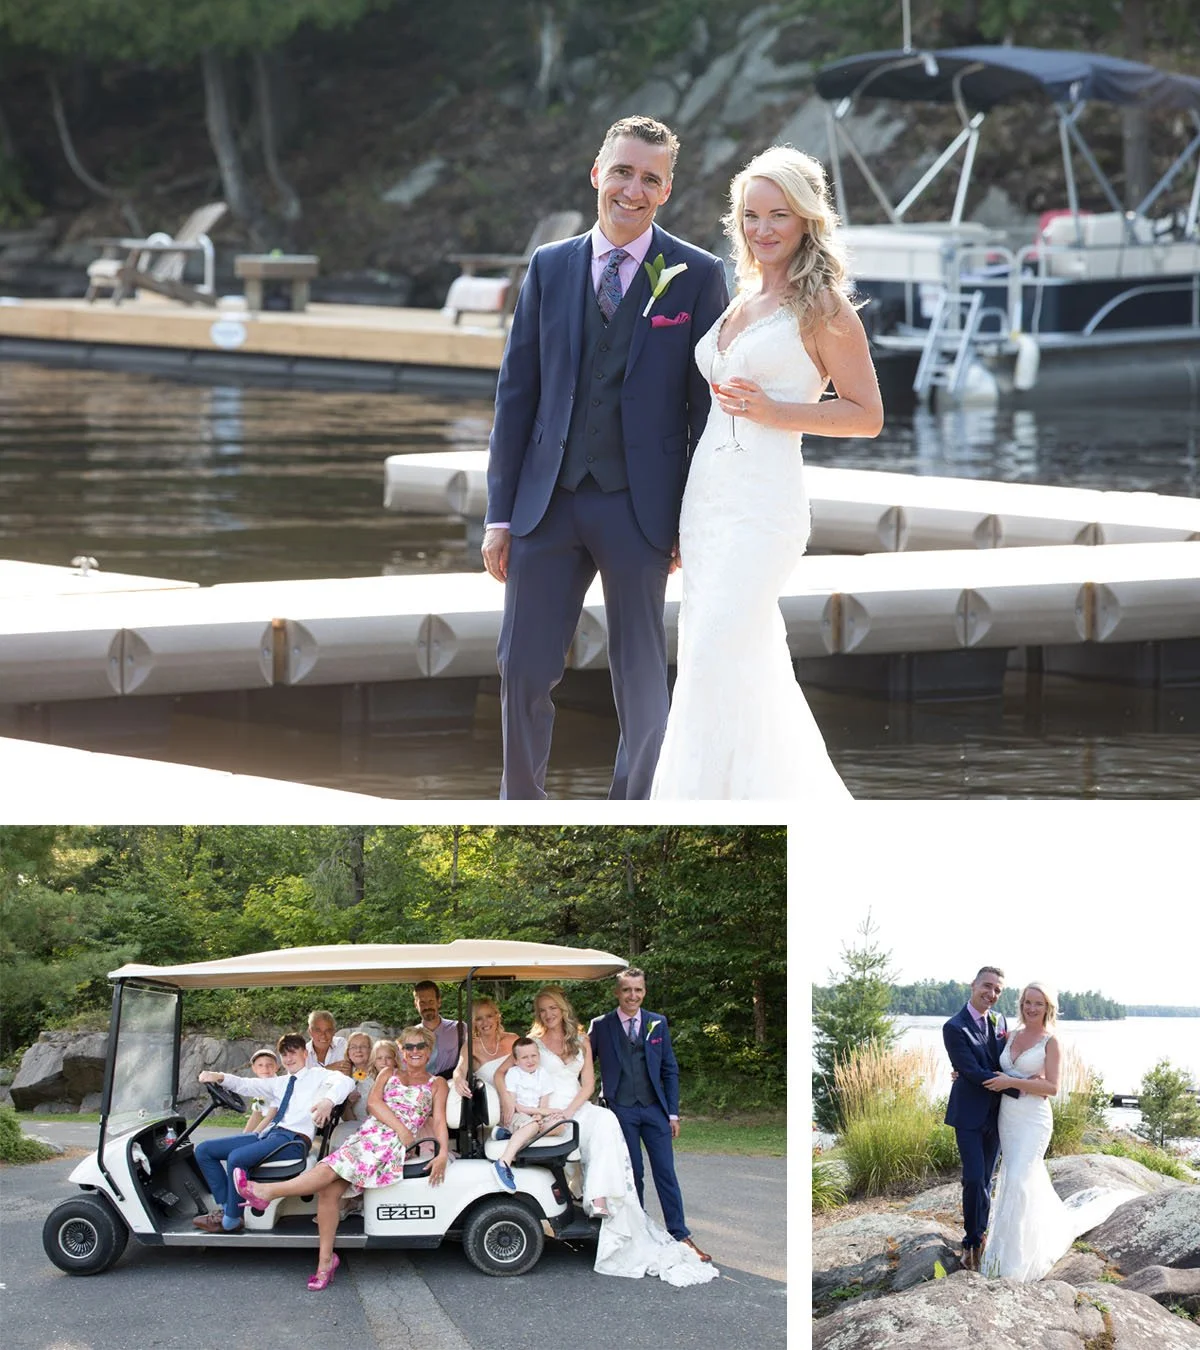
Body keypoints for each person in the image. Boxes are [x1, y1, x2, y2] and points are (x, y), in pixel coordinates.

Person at [482, 114, 730, 800]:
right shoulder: (549, 266)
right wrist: (497, 516)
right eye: (622, 171)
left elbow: (704, 414)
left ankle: (634, 811)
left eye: (650, 178)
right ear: (598, 173)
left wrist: (692, 520)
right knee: (523, 670)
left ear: (667, 190)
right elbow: (516, 397)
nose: (633, 188)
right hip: (545, 502)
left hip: (639, 505)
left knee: (642, 676)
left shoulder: (698, 276)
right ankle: (520, 811)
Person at [650, 145, 883, 800]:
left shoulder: (824, 306)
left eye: (779, 214)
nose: (763, 229)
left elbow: (867, 415)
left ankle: (698, 812)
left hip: (763, 509)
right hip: (705, 506)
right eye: (752, 216)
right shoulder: (743, 297)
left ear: (807, 219)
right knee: (716, 657)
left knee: (719, 650)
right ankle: (752, 810)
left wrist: (780, 410)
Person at [235, 1024, 450, 1290]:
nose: (414, 1051)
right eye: (409, 1046)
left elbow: (440, 1120)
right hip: (372, 1135)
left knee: (328, 1173)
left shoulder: (436, 1083)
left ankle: (268, 1192)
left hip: (391, 1146)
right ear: (401, 1051)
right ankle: (325, 1262)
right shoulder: (388, 1072)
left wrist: (440, 1153)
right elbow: (373, 1104)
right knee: (328, 1191)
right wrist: (402, 1128)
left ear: (429, 1051)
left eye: (421, 1046)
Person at [980, 982, 1140, 1280]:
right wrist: (962, 1073)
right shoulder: (1010, 1034)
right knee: (1016, 1179)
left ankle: (1017, 1262)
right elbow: (993, 1068)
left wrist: (1013, 1082)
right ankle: (1001, 1254)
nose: (1031, 1008)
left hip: (1033, 1120)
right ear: (1021, 1004)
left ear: (1047, 1008)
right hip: (1008, 1118)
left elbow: (1052, 1087)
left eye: (1037, 1003)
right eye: (1027, 1002)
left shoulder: (1051, 1041)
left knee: (1018, 1177)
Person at [588, 968, 710, 1264]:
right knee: (634, 1175)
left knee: (666, 1173)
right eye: (627, 990)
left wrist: (673, 1112)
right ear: (617, 992)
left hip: (655, 1110)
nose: (632, 996)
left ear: (644, 992)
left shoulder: (658, 1023)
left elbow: (669, 1068)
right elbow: (582, 1065)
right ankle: (637, 1232)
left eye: (638, 990)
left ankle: (680, 1234)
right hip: (621, 1110)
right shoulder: (601, 1026)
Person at [194, 1033, 353, 1235]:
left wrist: (328, 1101)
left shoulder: (317, 1076)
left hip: (293, 1141)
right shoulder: (280, 1082)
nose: (288, 1058)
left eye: (293, 1052)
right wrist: (218, 1076)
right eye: (284, 1054)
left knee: (237, 1158)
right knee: (204, 1150)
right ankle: (227, 1207)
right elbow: (246, 1084)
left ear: (305, 1054)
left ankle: (231, 1220)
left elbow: (345, 1082)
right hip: (271, 1135)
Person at [943, 966, 1018, 1271]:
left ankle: (981, 1234)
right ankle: (970, 1241)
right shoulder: (954, 1027)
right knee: (973, 1178)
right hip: (969, 1113)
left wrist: (1025, 1078)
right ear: (973, 985)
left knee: (986, 1179)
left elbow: (1004, 1059)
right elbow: (972, 1072)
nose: (992, 994)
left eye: (998, 990)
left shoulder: (999, 1021)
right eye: (987, 986)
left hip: (999, 1114)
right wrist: (1020, 1088)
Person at [492, 1035, 568, 1191]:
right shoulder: (514, 1073)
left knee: (560, 1125)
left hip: (534, 1117)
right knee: (532, 1126)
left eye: (533, 1056)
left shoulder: (543, 1074)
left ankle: (510, 1135)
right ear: (516, 1060)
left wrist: (541, 1116)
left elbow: (544, 1100)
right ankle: (503, 1162)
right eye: (524, 1057)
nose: (530, 1060)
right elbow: (516, 1106)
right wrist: (541, 1113)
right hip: (516, 1115)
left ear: (539, 1056)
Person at [451, 997, 520, 1097]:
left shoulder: (513, 1039)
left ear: (497, 1017)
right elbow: (460, 1069)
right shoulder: (471, 1046)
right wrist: (459, 1080)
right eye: (479, 1019)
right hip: (490, 1104)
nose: (485, 1022)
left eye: (489, 1016)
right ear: (474, 1022)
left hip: (521, 1101)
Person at [413, 981, 461, 1077]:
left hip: (451, 1084)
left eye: (431, 1001)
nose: (427, 1006)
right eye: (422, 1002)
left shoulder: (459, 1029)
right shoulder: (410, 1035)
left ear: (439, 1002)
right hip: (420, 1085)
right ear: (416, 1005)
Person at [338, 1031, 375, 1124]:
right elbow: (346, 1119)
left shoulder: (379, 1073)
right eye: (353, 1047)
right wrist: (348, 1104)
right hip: (353, 1125)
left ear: (371, 1050)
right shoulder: (344, 1076)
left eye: (363, 1046)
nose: (358, 1050)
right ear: (348, 1052)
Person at [242, 1047, 280, 1134]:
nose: (265, 1069)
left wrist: (253, 1135)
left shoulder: (279, 1086)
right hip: (269, 1127)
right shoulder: (260, 1088)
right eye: (260, 1065)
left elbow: (270, 1117)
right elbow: (256, 1114)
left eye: (269, 1065)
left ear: (276, 1067)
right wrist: (244, 1135)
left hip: (279, 1128)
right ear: (254, 1069)